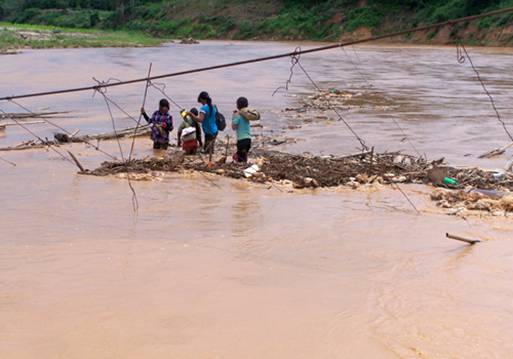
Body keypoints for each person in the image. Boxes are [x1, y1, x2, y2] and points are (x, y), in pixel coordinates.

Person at [232, 96, 255, 163]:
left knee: (240, 160)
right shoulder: (246, 115)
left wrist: (233, 117)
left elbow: (234, 127)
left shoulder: (237, 115)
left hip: (241, 140)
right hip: (248, 140)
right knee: (243, 158)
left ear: (237, 105)